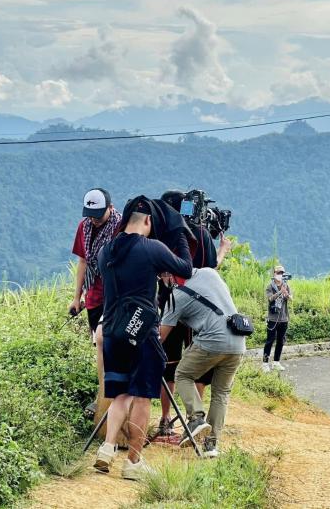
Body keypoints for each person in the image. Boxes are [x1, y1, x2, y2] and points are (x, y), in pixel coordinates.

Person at [93, 197, 193, 479]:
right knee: (142, 396)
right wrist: (180, 234)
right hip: (141, 332)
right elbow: (185, 268)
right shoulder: (151, 249)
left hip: (111, 330)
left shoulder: (106, 251)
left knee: (121, 394)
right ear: (148, 221)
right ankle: (133, 462)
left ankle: (107, 448)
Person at [155, 190, 232, 438]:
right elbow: (211, 271)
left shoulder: (160, 235)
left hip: (169, 304)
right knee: (198, 368)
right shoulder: (200, 233)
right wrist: (222, 252)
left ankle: (166, 420)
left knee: (168, 364)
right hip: (201, 311)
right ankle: (193, 422)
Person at [159, 267, 246, 458]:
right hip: (238, 342)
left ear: (169, 274)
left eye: (162, 275)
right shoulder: (209, 273)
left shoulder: (177, 296)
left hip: (212, 341)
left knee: (182, 374)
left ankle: (196, 418)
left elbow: (160, 337)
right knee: (221, 392)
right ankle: (211, 445)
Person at [69, 187, 121, 411]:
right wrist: (77, 297)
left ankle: (115, 395)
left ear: (110, 208)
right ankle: (103, 395)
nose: (94, 219)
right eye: (90, 215)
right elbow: (83, 261)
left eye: (99, 215)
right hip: (94, 296)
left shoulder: (121, 226)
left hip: (117, 295)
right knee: (99, 347)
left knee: (113, 346)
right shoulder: (85, 227)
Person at [262, 264, 292, 373]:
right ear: (274, 274)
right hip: (273, 318)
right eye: (278, 273)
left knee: (280, 341)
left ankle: (276, 362)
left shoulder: (286, 285)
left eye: (282, 273)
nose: (280, 275)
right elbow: (270, 299)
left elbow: (291, 298)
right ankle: (265, 363)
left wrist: (286, 294)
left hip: (284, 318)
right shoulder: (270, 286)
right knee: (269, 340)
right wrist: (280, 292)